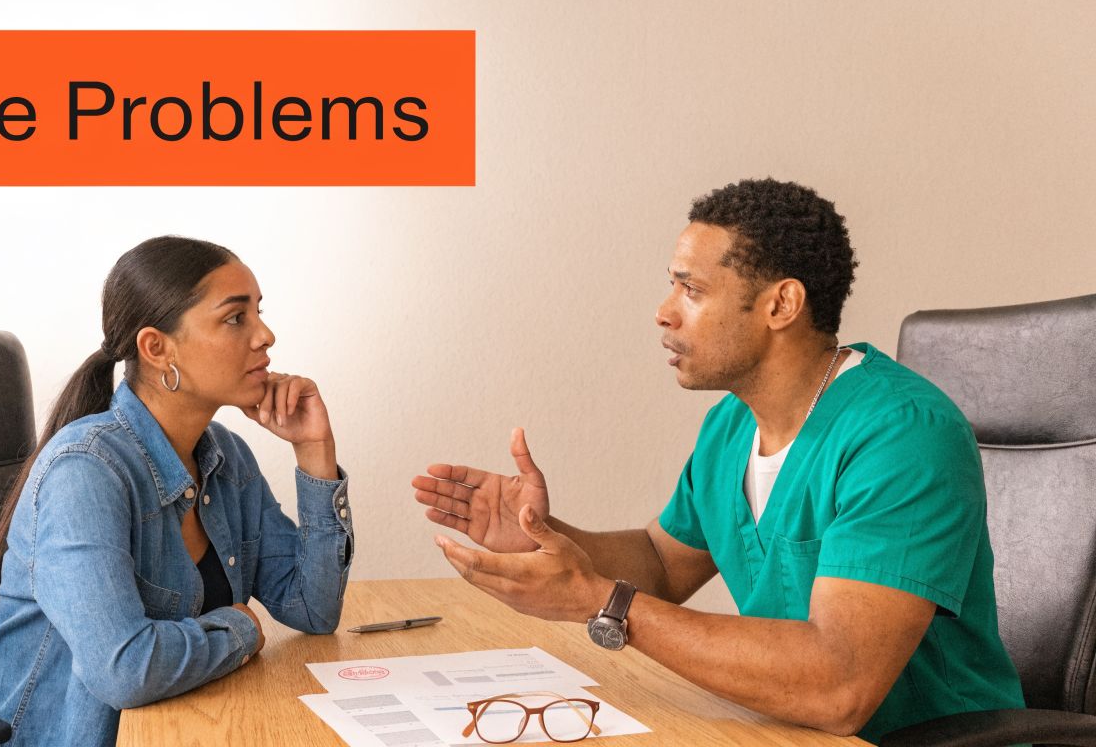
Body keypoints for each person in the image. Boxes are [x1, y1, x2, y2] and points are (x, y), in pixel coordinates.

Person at [412, 179, 1024, 744]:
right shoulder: (731, 424)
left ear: (781, 304)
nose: (664, 311)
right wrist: (540, 536)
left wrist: (603, 603)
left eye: (692, 290)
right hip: (779, 733)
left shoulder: (902, 435)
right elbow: (660, 564)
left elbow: (839, 686)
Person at [0, 236, 353, 747]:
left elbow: (312, 609)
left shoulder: (226, 457)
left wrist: (315, 452)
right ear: (156, 348)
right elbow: (123, 669)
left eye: (259, 312)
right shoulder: (86, 470)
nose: (266, 335)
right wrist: (239, 630)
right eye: (236, 318)